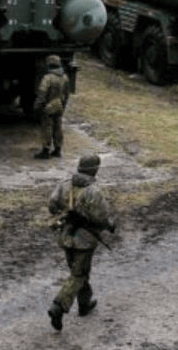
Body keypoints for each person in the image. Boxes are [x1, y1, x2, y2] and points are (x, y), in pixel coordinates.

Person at [46, 154, 116, 332]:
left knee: (78, 271)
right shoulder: (95, 191)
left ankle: (84, 304)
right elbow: (102, 216)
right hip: (84, 240)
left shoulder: (64, 184)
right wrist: (108, 225)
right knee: (79, 274)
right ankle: (59, 306)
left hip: (66, 236)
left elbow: (52, 205)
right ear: (94, 169)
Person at [33, 54, 70, 159]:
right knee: (58, 127)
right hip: (59, 105)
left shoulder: (47, 78)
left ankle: (45, 150)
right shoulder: (65, 77)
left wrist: (37, 106)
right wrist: (63, 105)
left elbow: (42, 93)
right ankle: (58, 149)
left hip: (49, 106)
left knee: (47, 128)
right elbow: (67, 94)